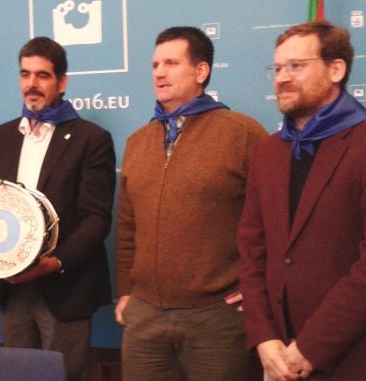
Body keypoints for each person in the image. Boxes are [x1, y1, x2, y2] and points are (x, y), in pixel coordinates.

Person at [238, 20, 366, 380]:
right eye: (276, 68)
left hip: (356, 360)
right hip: (278, 361)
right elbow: (252, 249)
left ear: (335, 69)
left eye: (296, 66)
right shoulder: (268, 152)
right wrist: (263, 337)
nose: (281, 78)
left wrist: (311, 347)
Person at [115, 26, 268, 381]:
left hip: (216, 318)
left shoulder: (242, 133)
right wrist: (126, 294)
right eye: (155, 64)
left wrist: (258, 286)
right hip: (145, 317)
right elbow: (126, 227)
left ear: (201, 72)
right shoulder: (138, 141)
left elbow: (276, 219)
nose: (159, 72)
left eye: (171, 62)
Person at [0, 36, 116, 381]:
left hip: (65, 287)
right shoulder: (1, 136)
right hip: (13, 290)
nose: (32, 84)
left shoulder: (92, 138)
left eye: (42, 75)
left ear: (62, 82)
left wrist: (53, 263)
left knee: (66, 376)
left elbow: (96, 218)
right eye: (25, 74)